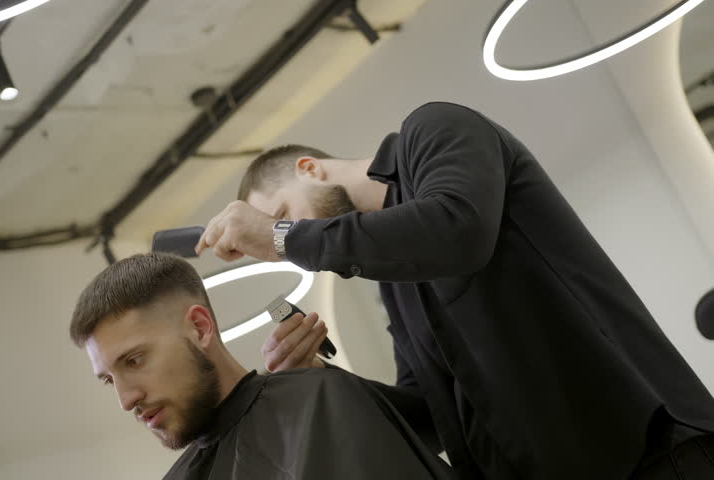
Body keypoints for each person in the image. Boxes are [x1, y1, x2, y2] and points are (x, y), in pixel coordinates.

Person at [195, 101, 714, 479]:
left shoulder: (434, 131)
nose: (286, 234)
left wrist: (280, 237)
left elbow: (457, 229)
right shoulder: (393, 277)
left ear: (309, 168)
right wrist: (318, 379)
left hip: (652, 452)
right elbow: (429, 417)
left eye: (282, 213)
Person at [69, 252, 453, 479]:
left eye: (134, 360)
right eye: (108, 380)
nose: (125, 399)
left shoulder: (318, 400)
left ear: (200, 328)